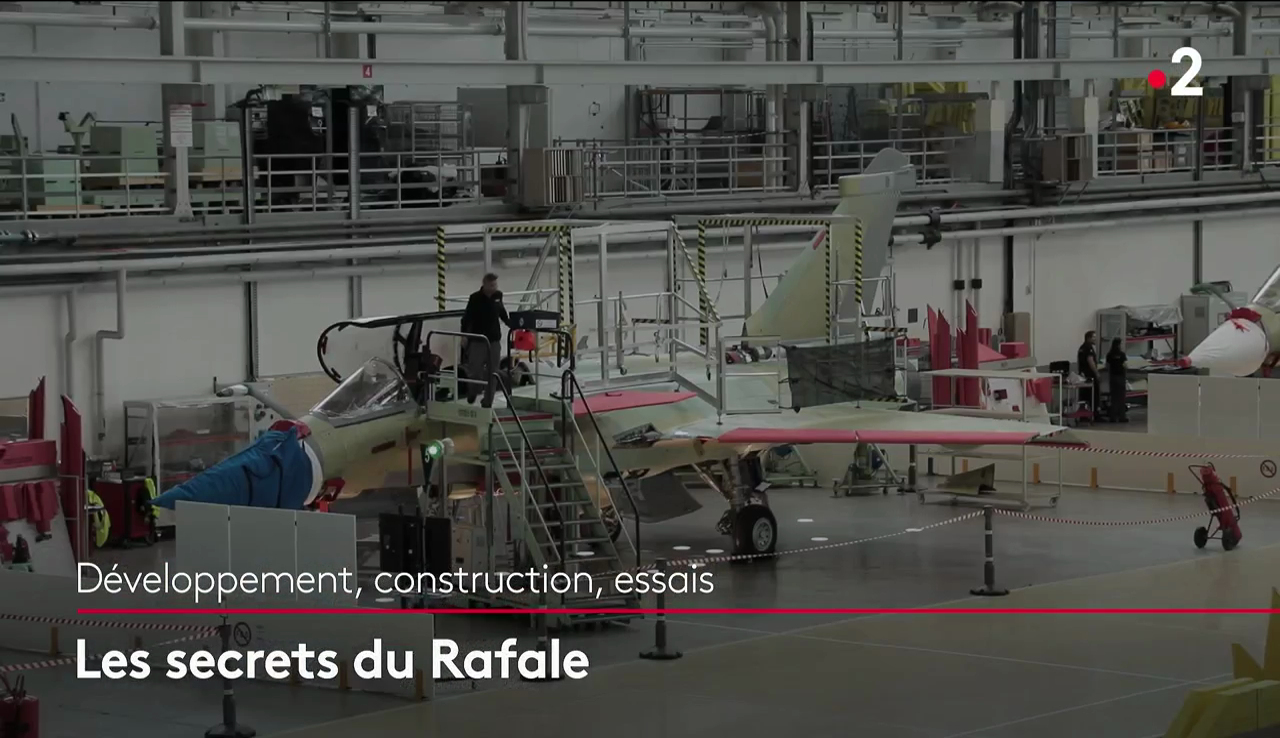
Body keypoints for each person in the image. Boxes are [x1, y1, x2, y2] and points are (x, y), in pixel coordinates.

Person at [460, 273, 509, 407]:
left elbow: (502, 312)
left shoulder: (498, 296)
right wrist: (464, 335)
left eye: (495, 284)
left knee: (493, 372)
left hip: (494, 340)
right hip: (478, 340)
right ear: (485, 284)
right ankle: (473, 390)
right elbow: (467, 318)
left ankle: (488, 401)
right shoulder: (475, 298)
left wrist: (511, 323)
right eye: (492, 285)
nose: (494, 287)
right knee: (475, 370)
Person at [1105, 337, 1129, 422]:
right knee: (1121, 398)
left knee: (1113, 398)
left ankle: (1113, 417)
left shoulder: (1109, 354)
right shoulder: (1122, 354)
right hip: (1120, 377)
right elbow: (1125, 365)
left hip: (1113, 377)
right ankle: (1122, 417)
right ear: (1119, 345)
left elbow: (1107, 366)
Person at [1077, 330, 1100, 414]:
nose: (1095, 339)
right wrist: (1096, 373)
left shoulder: (1081, 348)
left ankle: (1084, 414)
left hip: (1083, 376)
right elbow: (1090, 361)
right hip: (1090, 375)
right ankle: (1094, 414)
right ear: (1088, 338)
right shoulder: (1088, 347)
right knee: (1093, 395)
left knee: (1084, 396)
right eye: (1094, 337)